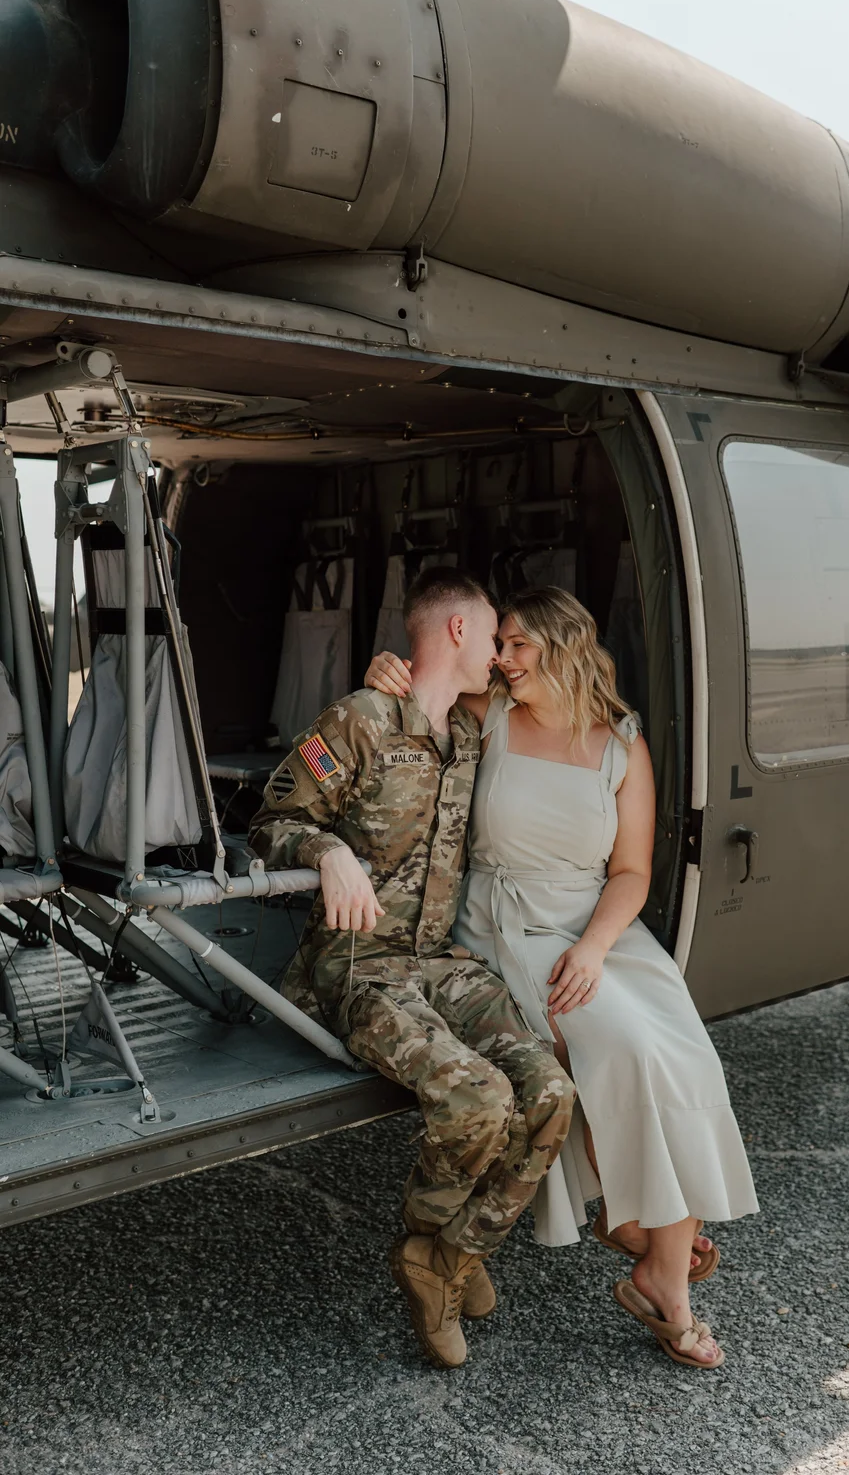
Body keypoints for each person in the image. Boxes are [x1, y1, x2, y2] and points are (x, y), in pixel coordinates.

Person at [365, 585, 758, 1370]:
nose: (501, 659)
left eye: (517, 645)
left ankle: (653, 1255)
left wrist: (595, 947)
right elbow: (429, 684)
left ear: (564, 647)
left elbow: (633, 869)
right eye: (499, 644)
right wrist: (386, 673)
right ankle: (661, 1273)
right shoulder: (493, 713)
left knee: (684, 1053)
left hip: (598, 929)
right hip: (507, 923)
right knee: (622, 1045)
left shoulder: (622, 743)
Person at [248, 568, 575, 1371]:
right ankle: (442, 1252)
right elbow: (270, 820)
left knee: (551, 1090)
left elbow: (569, 700)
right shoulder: (360, 720)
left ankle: (446, 1255)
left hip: (439, 964)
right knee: (479, 1098)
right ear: (457, 629)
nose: (501, 652)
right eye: (492, 632)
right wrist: (326, 851)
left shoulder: (468, 734)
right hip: (359, 968)